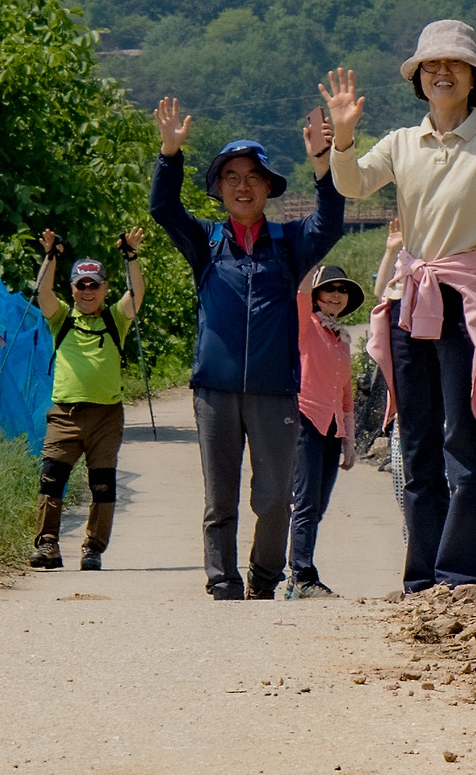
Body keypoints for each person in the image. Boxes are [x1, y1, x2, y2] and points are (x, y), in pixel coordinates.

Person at [323, 19, 476, 593]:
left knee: (465, 438)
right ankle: (422, 577)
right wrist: (343, 139)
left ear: (475, 78)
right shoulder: (401, 142)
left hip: (466, 300)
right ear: (419, 80)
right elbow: (353, 186)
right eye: (431, 65)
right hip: (409, 298)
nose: (441, 73)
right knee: (418, 440)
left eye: (454, 64)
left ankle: (461, 574)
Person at [150, 101, 345, 600]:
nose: (242, 185)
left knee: (276, 495)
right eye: (231, 176)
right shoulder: (206, 242)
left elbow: (329, 224)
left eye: (253, 177)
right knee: (220, 497)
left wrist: (323, 163)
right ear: (217, 188)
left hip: (275, 390)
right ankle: (222, 579)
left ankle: (263, 575)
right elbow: (163, 209)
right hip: (214, 389)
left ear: (268, 187)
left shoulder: (287, 244)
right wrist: (170, 155)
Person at [30, 227, 146, 572]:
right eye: (81, 285)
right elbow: (43, 292)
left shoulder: (114, 320)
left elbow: (137, 293)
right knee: (51, 478)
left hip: (107, 416)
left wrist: (131, 257)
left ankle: (93, 548)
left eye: (95, 284)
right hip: (64, 414)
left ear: (106, 288)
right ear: (73, 289)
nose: (88, 291)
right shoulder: (62, 318)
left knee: (102, 484)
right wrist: (51, 256)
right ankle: (47, 545)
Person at [286, 260, 364, 599]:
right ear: (318, 294)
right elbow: (300, 294)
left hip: (332, 426)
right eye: (329, 288)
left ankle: (300, 570)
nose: (336, 295)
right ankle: (301, 574)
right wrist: (306, 254)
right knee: (305, 502)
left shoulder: (341, 336)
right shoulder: (307, 325)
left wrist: (349, 439)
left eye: (342, 290)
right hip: (306, 419)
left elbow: (346, 392)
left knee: (318, 504)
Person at [374, 218, 407, 516]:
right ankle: (416, 553)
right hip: (405, 408)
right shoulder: (403, 274)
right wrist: (391, 251)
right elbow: (380, 293)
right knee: (405, 488)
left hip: (447, 410)